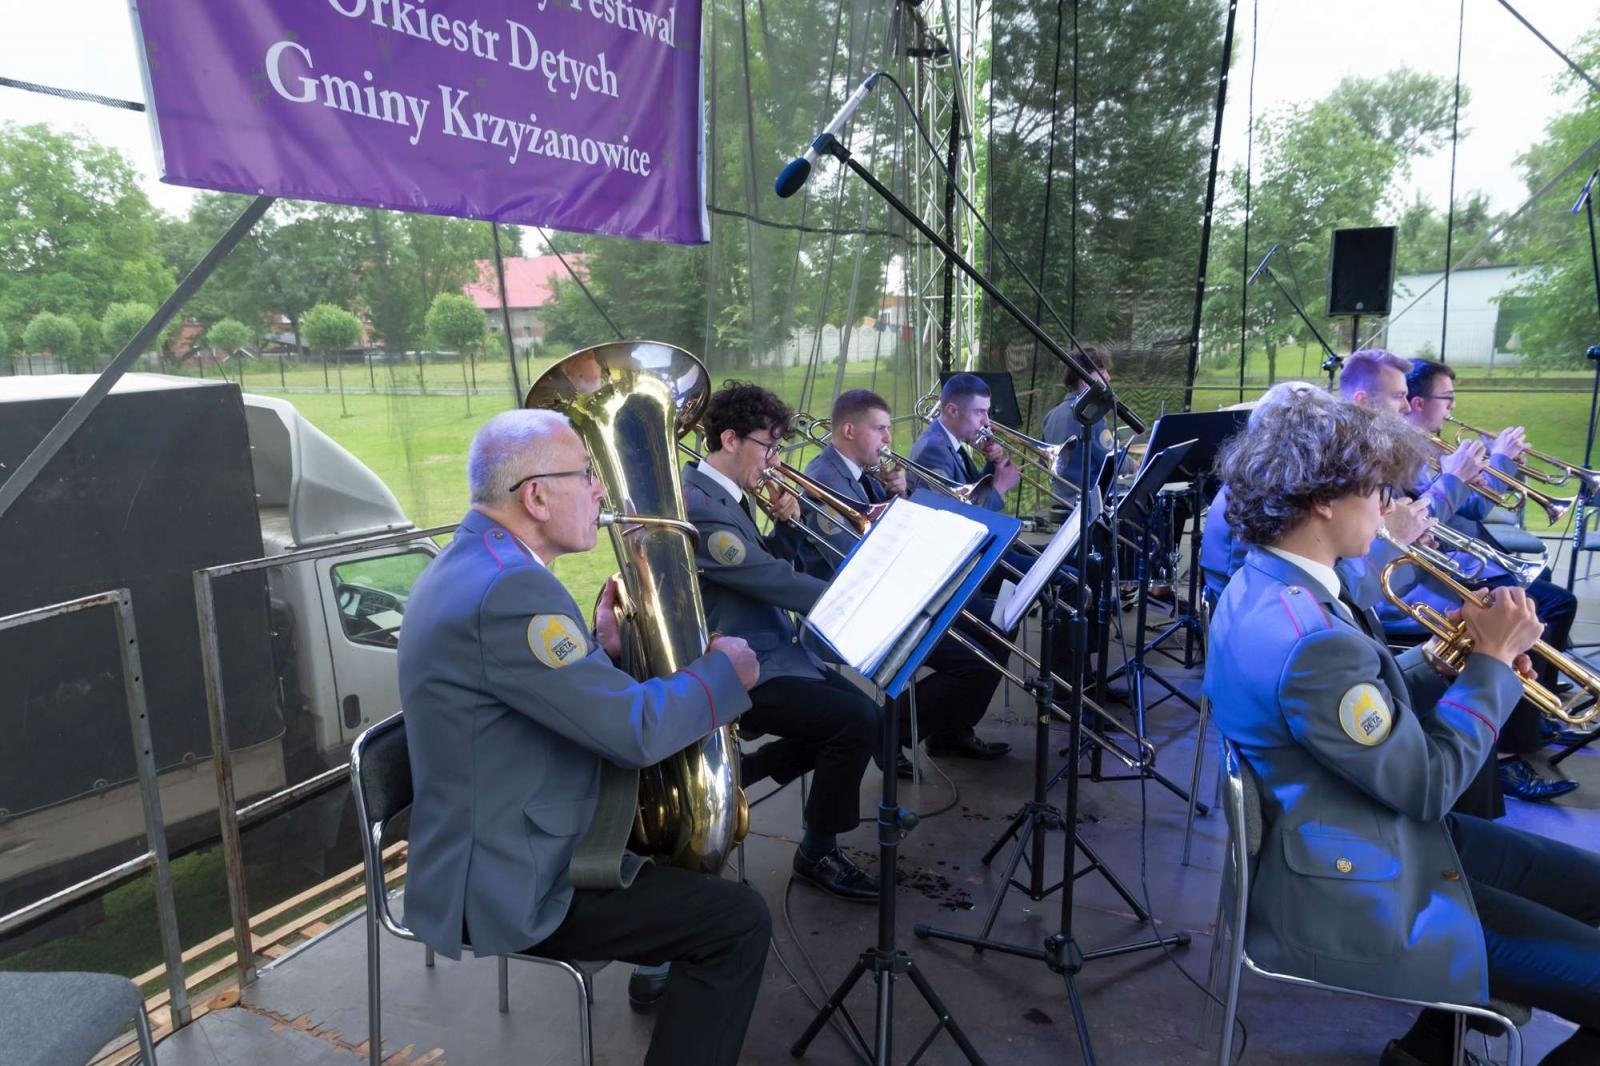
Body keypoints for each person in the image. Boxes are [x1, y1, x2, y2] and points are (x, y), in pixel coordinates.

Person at [1204, 392, 1600, 1066]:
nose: (1390, 506)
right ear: (1323, 499)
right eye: (1378, 489)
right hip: (1370, 884)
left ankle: (1426, 1047)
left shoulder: (1268, 586)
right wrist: (1491, 666)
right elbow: (1427, 787)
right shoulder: (1311, 638)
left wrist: (1447, 657)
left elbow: (1359, 712)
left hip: (1363, 836)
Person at [397, 410, 769, 1066]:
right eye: (586, 476)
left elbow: (552, 698)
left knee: (686, 854)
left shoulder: (482, 563)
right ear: (536, 495)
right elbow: (632, 732)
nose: (601, 491)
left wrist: (610, 655)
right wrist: (723, 676)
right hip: (512, 880)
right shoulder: (512, 589)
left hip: (513, 832)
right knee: (735, 922)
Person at [681, 381, 882, 902]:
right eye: (769, 446)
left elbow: (757, 563)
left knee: (860, 717)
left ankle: (742, 776)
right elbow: (768, 579)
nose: (774, 460)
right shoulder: (701, 505)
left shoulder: (723, 496)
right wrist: (858, 598)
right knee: (857, 721)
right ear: (730, 439)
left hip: (770, 649)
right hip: (739, 664)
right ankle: (818, 851)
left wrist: (789, 527)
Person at [796, 388, 1012, 770]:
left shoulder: (862, 473)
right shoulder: (825, 479)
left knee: (996, 629)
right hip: (846, 611)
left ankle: (950, 730)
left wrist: (902, 497)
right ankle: (888, 732)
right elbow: (854, 562)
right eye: (879, 429)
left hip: (886, 594)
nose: (888, 439)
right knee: (973, 662)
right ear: (848, 430)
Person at [1403, 357, 1579, 803]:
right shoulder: (1405, 451)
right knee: (1536, 609)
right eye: (1448, 399)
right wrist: (1482, 464)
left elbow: (1480, 508)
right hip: (1434, 573)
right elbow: (1423, 515)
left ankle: (1530, 718)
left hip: (1460, 559)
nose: (1453, 407)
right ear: (1418, 401)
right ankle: (1512, 743)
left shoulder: (1436, 445)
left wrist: (1503, 466)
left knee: (1550, 605)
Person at [909, 373, 1022, 511]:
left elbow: (971, 494)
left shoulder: (947, 440)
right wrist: (1000, 487)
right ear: (952, 411)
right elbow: (949, 517)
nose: (986, 421)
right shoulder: (933, 451)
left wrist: (993, 463)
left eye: (987, 412)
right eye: (979, 412)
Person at [1041, 344, 1114, 504]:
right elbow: (1111, 460)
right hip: (1086, 503)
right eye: (1102, 372)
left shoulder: (1051, 415)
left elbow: (1044, 461)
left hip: (1059, 499)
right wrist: (1134, 465)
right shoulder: (1090, 415)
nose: (1108, 377)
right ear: (1084, 380)